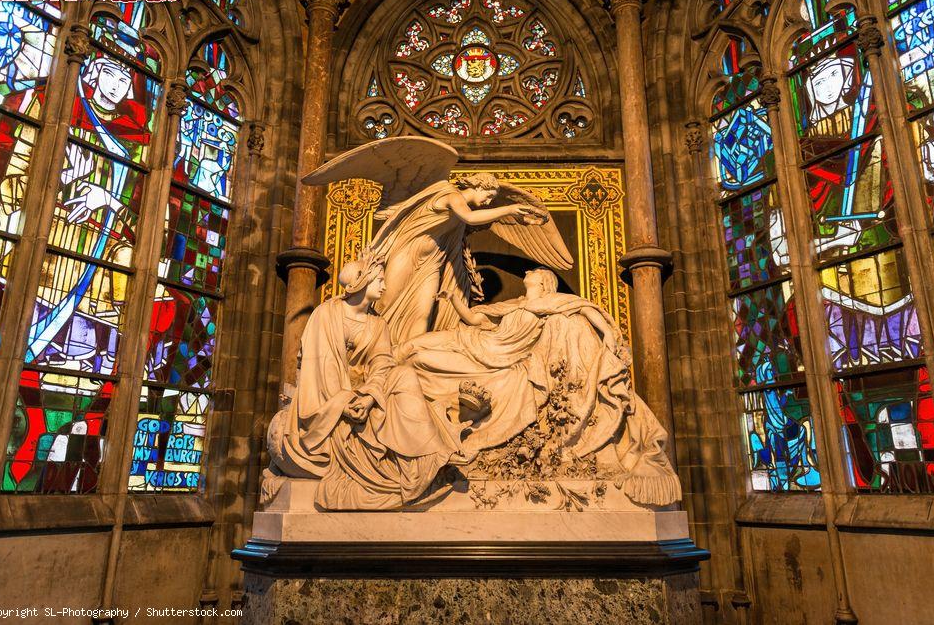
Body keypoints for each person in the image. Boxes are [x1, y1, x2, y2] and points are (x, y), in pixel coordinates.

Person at [400, 268, 681, 506]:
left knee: (421, 359)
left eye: (533, 271)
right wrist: (454, 300)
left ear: (545, 282)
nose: (527, 272)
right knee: (413, 349)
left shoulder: (555, 305)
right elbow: (475, 319)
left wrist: (608, 332)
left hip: (500, 359)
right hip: (476, 343)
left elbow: (585, 307)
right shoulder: (514, 304)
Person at [265, 251, 464, 510]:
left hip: (365, 391)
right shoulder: (326, 314)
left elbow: (382, 363)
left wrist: (370, 395)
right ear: (363, 280)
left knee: (404, 374)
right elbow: (319, 367)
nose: (384, 285)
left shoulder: (378, 324)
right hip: (329, 398)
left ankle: (425, 458)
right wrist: (345, 401)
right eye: (379, 279)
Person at [368, 171, 545, 346]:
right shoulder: (451, 195)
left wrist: (520, 218)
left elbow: (468, 224)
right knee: (385, 302)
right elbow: (471, 217)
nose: (489, 202)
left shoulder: (461, 215)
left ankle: (411, 355)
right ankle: (376, 351)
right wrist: (509, 209)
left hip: (432, 262)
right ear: (478, 185)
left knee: (423, 312)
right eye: (489, 195)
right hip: (407, 252)